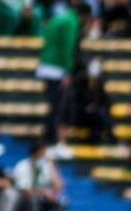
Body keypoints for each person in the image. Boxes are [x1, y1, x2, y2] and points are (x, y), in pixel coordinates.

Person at [36, 0, 83, 145]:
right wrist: (67, 71)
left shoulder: (58, 18)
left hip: (46, 66)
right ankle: (52, 139)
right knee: (58, 108)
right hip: (57, 69)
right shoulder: (71, 22)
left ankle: (50, 136)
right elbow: (67, 47)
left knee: (54, 106)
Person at [13, 139, 66, 211]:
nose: (46, 155)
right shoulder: (21, 166)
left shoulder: (45, 166)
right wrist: (43, 192)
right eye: (44, 152)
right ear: (37, 152)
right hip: (23, 205)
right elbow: (25, 191)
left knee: (61, 200)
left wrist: (52, 166)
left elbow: (59, 186)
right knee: (33, 200)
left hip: (41, 203)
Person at [72, 57, 115, 144]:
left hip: (94, 114)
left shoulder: (99, 84)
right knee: (100, 116)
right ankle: (109, 136)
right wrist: (86, 107)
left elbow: (104, 100)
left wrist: (95, 106)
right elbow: (76, 100)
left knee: (100, 115)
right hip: (81, 113)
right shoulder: (81, 82)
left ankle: (100, 139)